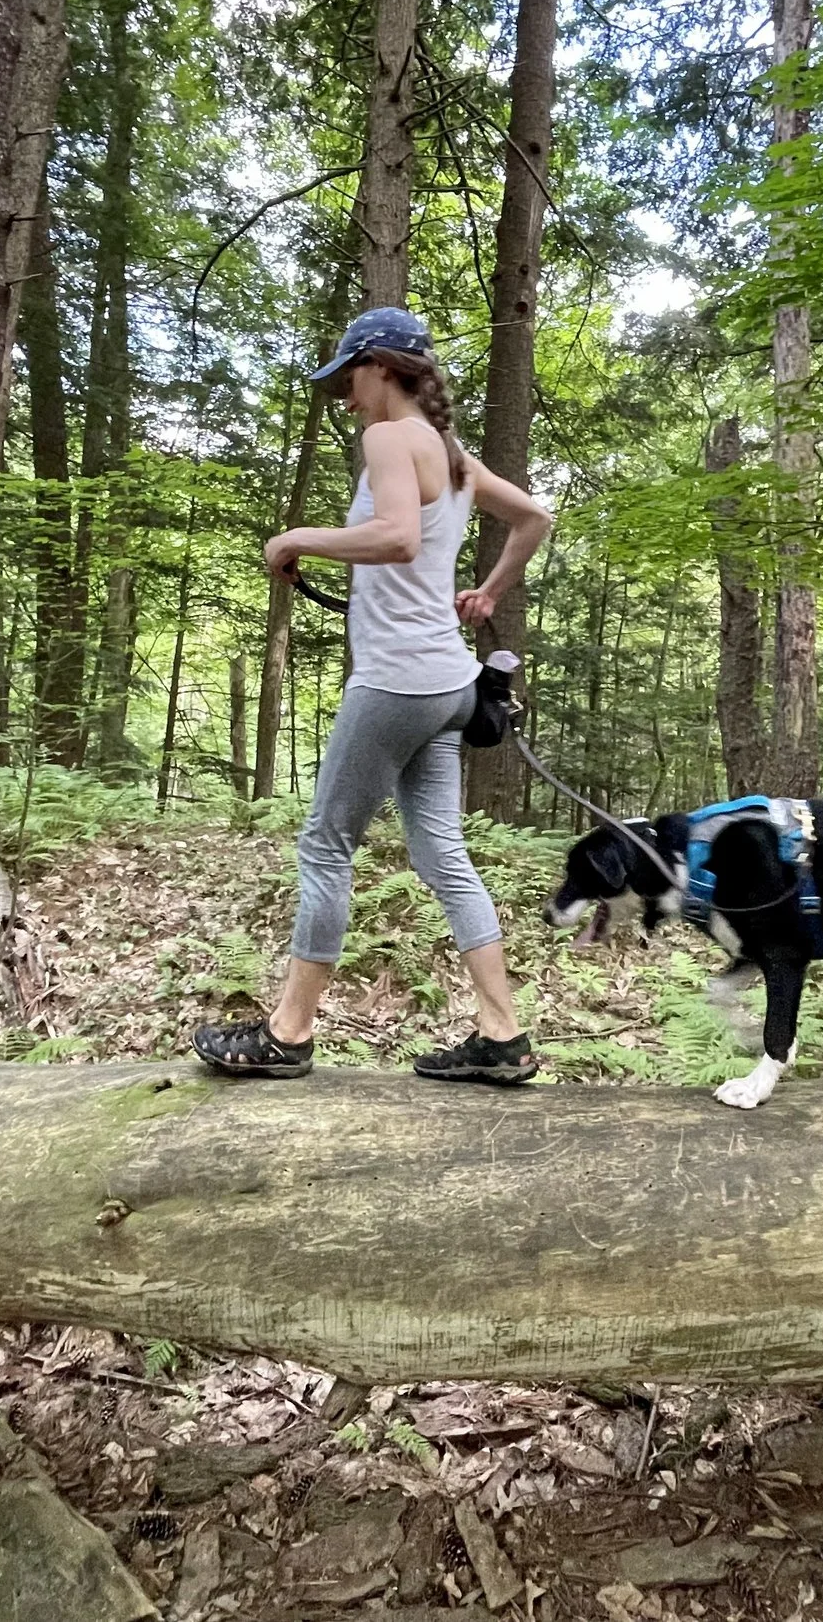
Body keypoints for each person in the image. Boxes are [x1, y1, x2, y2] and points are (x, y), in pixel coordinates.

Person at [193, 307, 554, 1084]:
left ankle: (288, 1032)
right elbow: (535, 517)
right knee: (442, 852)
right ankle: (503, 1034)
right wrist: (490, 590)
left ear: (382, 367)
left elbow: (397, 536)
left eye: (350, 380)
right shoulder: (453, 456)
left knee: (326, 844)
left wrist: (298, 538)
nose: (347, 398)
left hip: (396, 682)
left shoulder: (391, 438)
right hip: (450, 686)